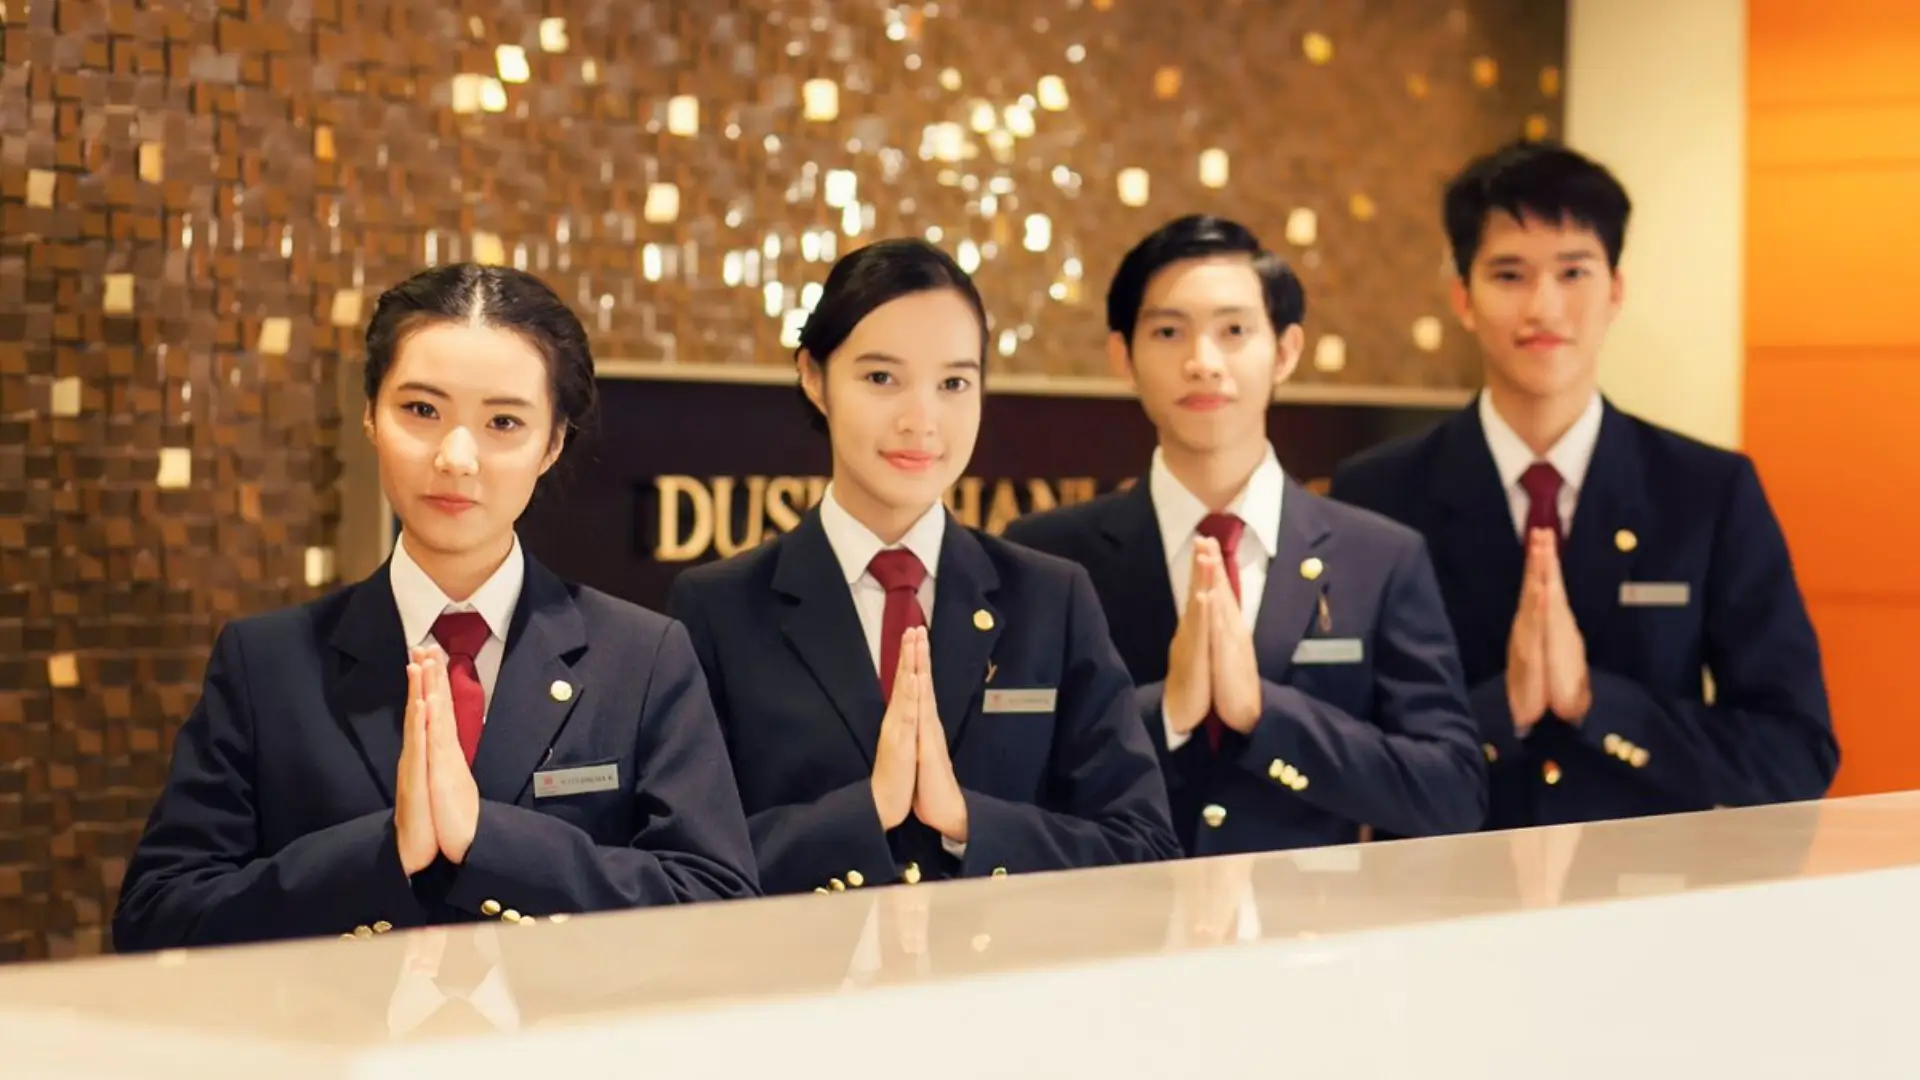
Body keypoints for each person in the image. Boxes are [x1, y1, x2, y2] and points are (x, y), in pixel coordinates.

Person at [113, 264, 760, 952]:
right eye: (422, 411)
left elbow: (716, 904)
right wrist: (381, 852)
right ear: (370, 413)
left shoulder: (644, 657)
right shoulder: (266, 664)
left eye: (503, 422)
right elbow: (157, 915)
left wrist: (491, 840)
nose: (456, 456)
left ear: (552, 443)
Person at [1329, 140, 1838, 829]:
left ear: (1615, 291)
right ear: (1463, 298)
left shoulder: (1706, 492)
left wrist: (1595, 702)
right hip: (1441, 902)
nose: (1543, 306)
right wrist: (1494, 712)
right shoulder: (1378, 494)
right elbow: (1340, 753)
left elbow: (1796, 752)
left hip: (1648, 908)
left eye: (1573, 272)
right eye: (1509, 275)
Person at [665, 238, 1180, 896]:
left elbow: (1143, 848)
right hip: (805, 991)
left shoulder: (1052, 599)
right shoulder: (719, 607)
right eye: (881, 378)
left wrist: (967, 821)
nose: (921, 419)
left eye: (954, 383)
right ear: (815, 378)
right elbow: (685, 868)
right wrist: (864, 813)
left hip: (1007, 988)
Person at [1004, 214, 1485, 857]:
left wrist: (1266, 714)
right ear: (1124, 357)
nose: (1203, 363)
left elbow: (1451, 793)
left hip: (1312, 943)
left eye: (1234, 331)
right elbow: (1008, 782)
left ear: (1285, 351)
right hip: (1115, 936)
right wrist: (1164, 713)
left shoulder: (1381, 557)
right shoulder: (1047, 555)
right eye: (1169, 332)